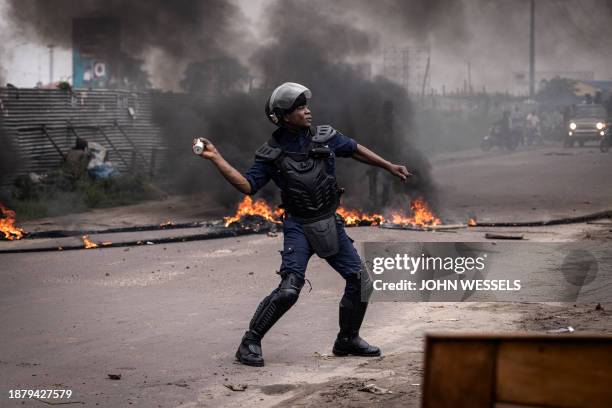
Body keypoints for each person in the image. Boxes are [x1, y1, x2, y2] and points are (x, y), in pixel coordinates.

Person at [193, 82, 411, 367]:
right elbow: (247, 185)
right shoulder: (270, 154)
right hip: (299, 226)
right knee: (289, 290)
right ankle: (250, 342)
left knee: (360, 280)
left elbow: (354, 149)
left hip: (329, 221)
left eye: (305, 105)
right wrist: (216, 158)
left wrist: (388, 165)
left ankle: (347, 340)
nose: (307, 111)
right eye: (299, 108)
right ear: (283, 115)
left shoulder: (325, 137)